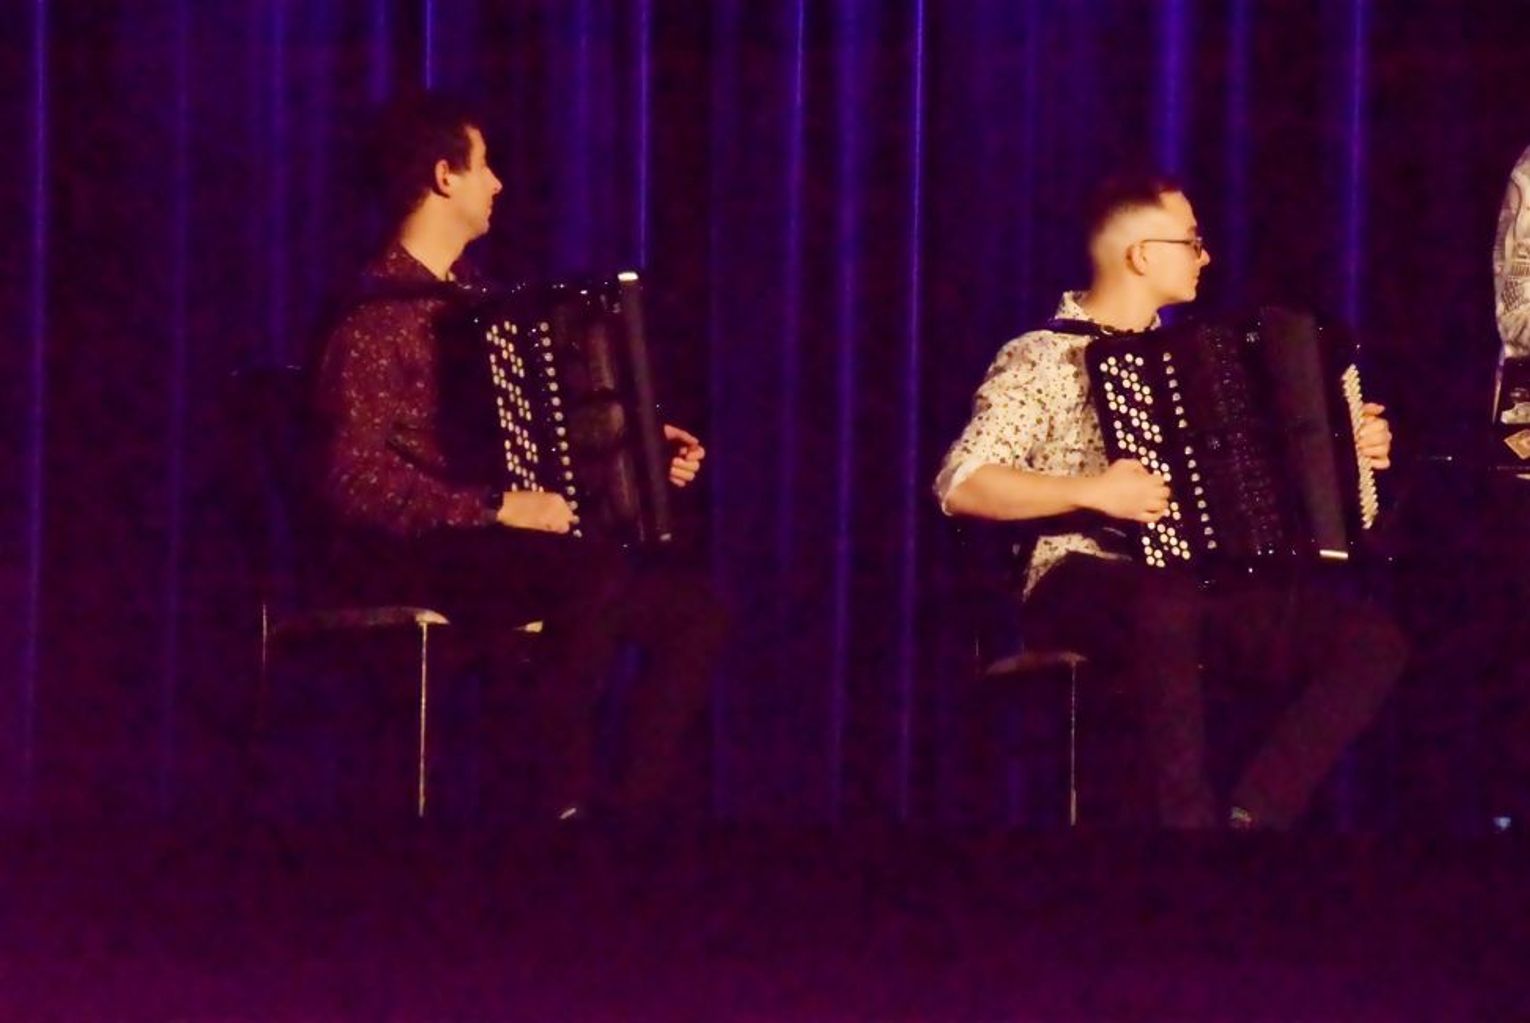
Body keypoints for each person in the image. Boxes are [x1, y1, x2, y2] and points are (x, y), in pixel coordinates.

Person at [934, 174, 1406, 829]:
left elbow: (1278, 465)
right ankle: (1184, 836)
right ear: (1141, 254)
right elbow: (962, 483)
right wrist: (1093, 491)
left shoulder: (1203, 364)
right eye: (1192, 240)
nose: (1205, 256)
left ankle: (1251, 819)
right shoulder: (1042, 357)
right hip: (1075, 579)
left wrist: (1347, 449)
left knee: (1368, 640)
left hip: (1193, 584)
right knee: (1165, 602)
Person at [311, 92, 726, 822]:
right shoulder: (375, 319)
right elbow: (351, 481)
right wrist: (496, 506)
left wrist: (639, 452)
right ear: (444, 176)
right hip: (414, 549)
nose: (498, 183)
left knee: (693, 609)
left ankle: (626, 817)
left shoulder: (481, 304)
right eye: (484, 165)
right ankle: (548, 806)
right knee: (586, 571)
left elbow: (545, 431)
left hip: (498, 548)